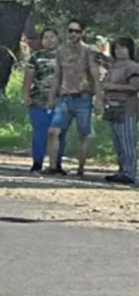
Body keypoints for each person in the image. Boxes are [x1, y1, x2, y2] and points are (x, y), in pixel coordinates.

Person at [46, 19, 103, 178]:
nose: (73, 34)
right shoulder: (61, 51)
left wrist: (98, 98)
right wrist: (52, 96)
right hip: (64, 97)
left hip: (83, 97)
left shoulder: (88, 51)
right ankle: (53, 166)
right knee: (53, 131)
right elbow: (57, 75)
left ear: (82, 33)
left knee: (83, 133)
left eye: (77, 31)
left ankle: (81, 168)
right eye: (70, 30)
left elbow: (95, 76)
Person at [21, 28, 65, 173]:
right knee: (40, 133)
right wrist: (26, 95)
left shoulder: (65, 56)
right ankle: (37, 162)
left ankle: (56, 164)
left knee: (58, 133)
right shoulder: (36, 57)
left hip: (61, 101)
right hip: (39, 100)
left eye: (52, 37)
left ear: (58, 38)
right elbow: (29, 77)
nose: (49, 40)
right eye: (45, 37)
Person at [101, 37, 139, 185]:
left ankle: (130, 172)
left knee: (127, 141)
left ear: (130, 50)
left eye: (123, 47)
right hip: (112, 106)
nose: (119, 51)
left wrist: (113, 86)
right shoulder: (113, 67)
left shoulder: (133, 67)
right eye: (117, 48)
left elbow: (135, 87)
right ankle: (121, 170)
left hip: (127, 107)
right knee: (117, 141)